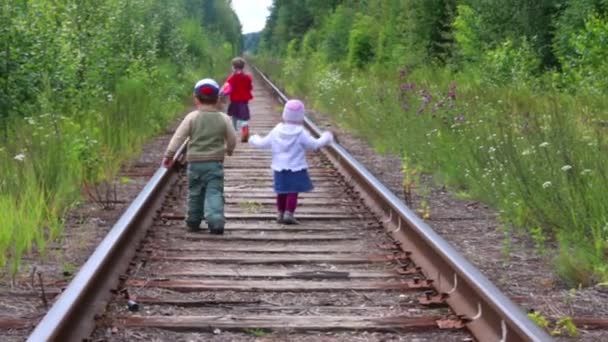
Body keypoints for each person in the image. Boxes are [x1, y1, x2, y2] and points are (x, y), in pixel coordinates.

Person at [162, 78, 236, 234]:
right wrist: (229, 150)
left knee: (195, 192)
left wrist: (169, 155)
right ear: (217, 99)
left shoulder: (192, 117)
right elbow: (232, 138)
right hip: (214, 163)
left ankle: (193, 221)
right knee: (214, 191)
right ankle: (216, 220)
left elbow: (178, 137)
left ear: (196, 99)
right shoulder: (224, 118)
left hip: (195, 163)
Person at [248, 99, 334, 224]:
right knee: (292, 191)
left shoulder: (276, 131)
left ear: (284, 114)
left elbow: (263, 143)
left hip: (279, 167)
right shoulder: (301, 132)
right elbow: (314, 145)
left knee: (281, 191)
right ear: (301, 116)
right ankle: (289, 213)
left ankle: (280, 213)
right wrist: (326, 137)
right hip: (296, 167)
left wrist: (253, 139)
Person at [221, 57, 253, 142]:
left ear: (234, 67)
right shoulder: (247, 77)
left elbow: (226, 88)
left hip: (234, 101)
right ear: (243, 67)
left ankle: (233, 133)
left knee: (234, 117)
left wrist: (222, 94)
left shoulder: (232, 78)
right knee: (244, 118)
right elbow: (250, 88)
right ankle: (245, 131)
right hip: (244, 102)